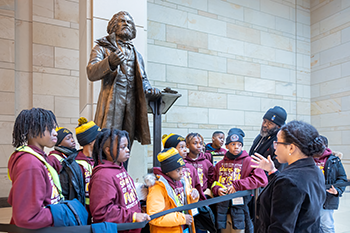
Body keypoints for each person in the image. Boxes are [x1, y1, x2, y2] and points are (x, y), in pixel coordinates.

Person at [86, 11, 160, 153]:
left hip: (131, 104)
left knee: (126, 142)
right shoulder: (102, 47)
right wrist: (109, 62)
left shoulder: (137, 54)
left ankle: (122, 172)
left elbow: (143, 79)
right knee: (108, 141)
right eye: (122, 21)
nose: (126, 23)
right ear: (114, 25)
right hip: (112, 102)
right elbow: (91, 72)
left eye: (129, 22)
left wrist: (150, 89)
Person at [251, 120, 326, 233]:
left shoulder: (289, 181)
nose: (274, 146)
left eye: (278, 142)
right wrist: (272, 171)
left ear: (291, 148)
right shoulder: (314, 170)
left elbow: (280, 228)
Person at [8, 108, 62, 228]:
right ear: (33, 131)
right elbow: (27, 217)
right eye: (50, 128)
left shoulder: (38, 158)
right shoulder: (30, 163)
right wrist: (62, 213)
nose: (55, 133)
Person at [89, 128, 150, 232]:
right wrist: (133, 216)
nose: (127, 150)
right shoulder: (102, 176)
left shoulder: (119, 167)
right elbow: (102, 212)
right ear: (108, 150)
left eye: (127, 146)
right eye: (123, 147)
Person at [211, 128, 267, 233]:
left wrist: (238, 185)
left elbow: (262, 180)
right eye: (233, 144)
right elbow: (213, 182)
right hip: (222, 208)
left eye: (239, 144)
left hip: (240, 208)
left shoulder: (250, 161)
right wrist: (217, 189)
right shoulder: (219, 164)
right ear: (226, 146)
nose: (236, 147)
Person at [146, 147, 199, 233]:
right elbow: (154, 217)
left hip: (183, 228)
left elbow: (186, 201)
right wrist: (182, 218)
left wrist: (194, 195)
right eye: (178, 170)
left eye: (182, 168)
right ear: (167, 171)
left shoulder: (181, 181)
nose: (182, 172)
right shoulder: (157, 187)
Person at [314, 135, 347, 233]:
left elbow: (342, 178)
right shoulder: (307, 159)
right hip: (311, 197)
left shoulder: (334, 160)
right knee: (312, 225)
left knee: (327, 225)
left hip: (327, 198)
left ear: (326, 146)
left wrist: (336, 190)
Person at [162, 133, 206, 200]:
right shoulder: (165, 169)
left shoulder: (191, 168)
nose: (185, 150)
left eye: (185, 147)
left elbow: (198, 188)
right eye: (181, 147)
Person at [75, 117, 101, 217]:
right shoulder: (76, 164)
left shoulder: (101, 160)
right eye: (99, 137)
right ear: (90, 141)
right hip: (84, 214)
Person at [249, 106, 287, 171]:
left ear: (278, 126)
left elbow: (277, 169)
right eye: (264, 121)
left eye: (270, 123)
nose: (265, 125)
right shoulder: (262, 136)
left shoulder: (281, 142)